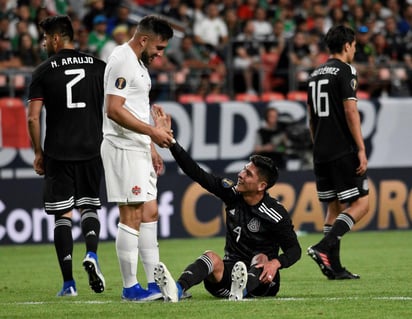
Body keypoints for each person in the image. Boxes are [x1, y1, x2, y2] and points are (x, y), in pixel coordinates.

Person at [152, 115, 301, 302]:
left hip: (263, 281)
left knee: (261, 258)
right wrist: (173, 144)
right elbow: (197, 174)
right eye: (244, 169)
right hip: (227, 276)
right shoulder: (232, 195)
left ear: (261, 186)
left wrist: (275, 263)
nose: (240, 174)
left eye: (247, 174)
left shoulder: (275, 213)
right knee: (211, 257)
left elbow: (294, 250)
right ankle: (177, 289)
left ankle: (242, 291)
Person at [27, 15, 106, 296]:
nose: (45, 43)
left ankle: (68, 284)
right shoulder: (99, 67)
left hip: (58, 153)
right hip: (92, 148)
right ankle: (93, 254)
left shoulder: (43, 71)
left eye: (46, 38)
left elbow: (34, 119)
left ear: (57, 38)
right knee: (90, 207)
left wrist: (38, 152)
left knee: (62, 215)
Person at [100, 15, 174, 301]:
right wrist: (152, 133)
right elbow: (114, 109)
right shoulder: (122, 60)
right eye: (159, 47)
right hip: (123, 147)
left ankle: (154, 283)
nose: (160, 54)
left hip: (139, 147)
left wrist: (151, 146)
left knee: (150, 212)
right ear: (144, 40)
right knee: (131, 215)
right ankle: (131, 288)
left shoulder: (139, 64)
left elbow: (137, 108)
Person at [306, 25, 369, 280]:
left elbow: (311, 117)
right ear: (347, 46)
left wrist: (317, 144)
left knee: (333, 209)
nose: (354, 50)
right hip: (342, 148)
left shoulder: (314, 73)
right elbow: (350, 111)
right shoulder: (346, 70)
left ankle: (334, 267)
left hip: (320, 149)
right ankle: (324, 247)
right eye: (354, 46)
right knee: (362, 203)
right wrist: (361, 148)